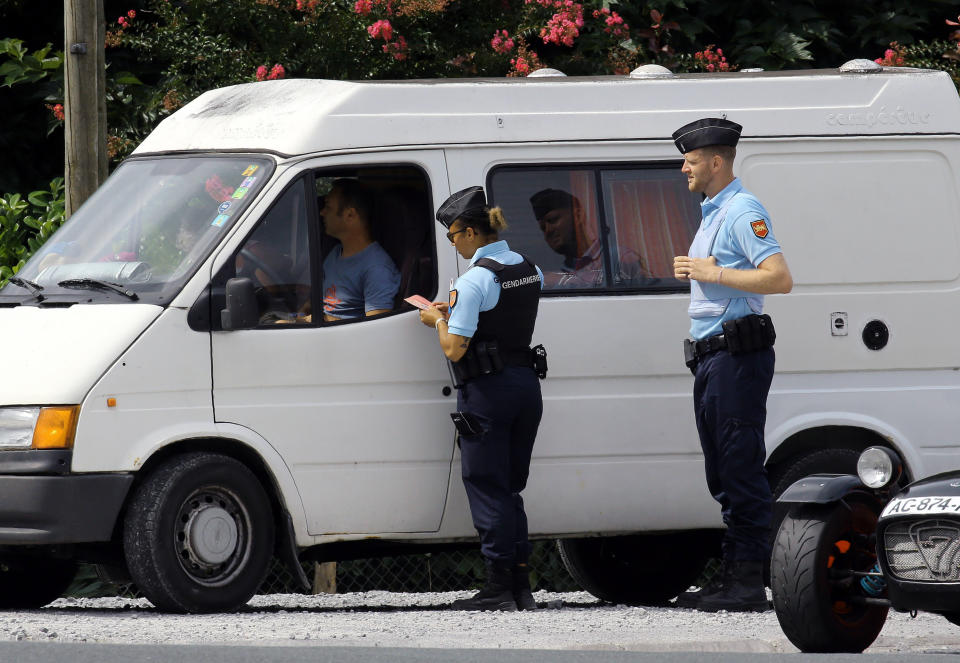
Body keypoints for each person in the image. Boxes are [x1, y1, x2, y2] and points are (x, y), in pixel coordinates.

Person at [671, 118, 793, 612]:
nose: (684, 168)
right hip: (713, 358)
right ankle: (733, 575)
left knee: (739, 467)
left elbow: (779, 279)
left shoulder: (743, 210)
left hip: (736, 357)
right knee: (722, 470)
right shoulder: (711, 211)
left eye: (692, 160)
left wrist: (712, 271)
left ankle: (746, 581)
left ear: (716, 162)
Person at [418, 186, 545, 612]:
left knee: (487, 486)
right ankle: (520, 584)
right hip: (526, 385)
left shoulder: (474, 280)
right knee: (511, 487)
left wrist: (438, 319)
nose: (453, 244)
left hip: (488, 394)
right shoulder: (530, 268)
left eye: (453, 236)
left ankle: (496, 588)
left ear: (471, 232)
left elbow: (454, 347)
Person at [529, 188, 649, 287]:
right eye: (543, 228)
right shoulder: (560, 271)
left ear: (578, 215)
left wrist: (561, 280)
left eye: (553, 220)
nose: (548, 230)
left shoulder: (618, 258)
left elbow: (647, 301)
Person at [319, 178, 400, 320]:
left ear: (350, 215)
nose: (322, 213)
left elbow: (376, 330)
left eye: (328, 207)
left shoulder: (377, 268)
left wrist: (318, 319)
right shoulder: (336, 253)